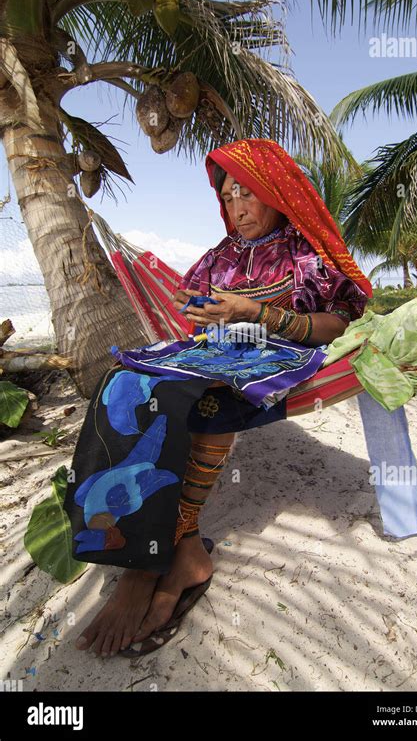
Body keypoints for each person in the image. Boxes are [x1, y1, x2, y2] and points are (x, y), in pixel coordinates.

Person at [68, 138, 372, 658]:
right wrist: (205, 312)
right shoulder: (221, 256)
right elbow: (194, 309)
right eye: (229, 197)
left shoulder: (304, 253)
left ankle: (147, 567)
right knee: (121, 381)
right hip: (215, 351)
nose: (238, 208)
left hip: (274, 354)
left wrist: (258, 315)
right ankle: (168, 550)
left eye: (248, 194)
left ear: (276, 194)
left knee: (200, 401)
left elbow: (334, 323)